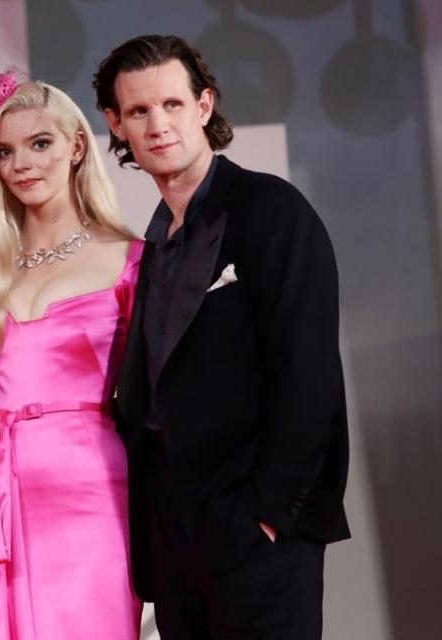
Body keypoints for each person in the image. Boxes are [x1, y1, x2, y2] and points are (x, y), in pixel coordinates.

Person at [93, 35, 350, 639]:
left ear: (204, 106)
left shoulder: (270, 209)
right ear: (116, 124)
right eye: (138, 111)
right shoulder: (148, 248)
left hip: (257, 529)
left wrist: (269, 513)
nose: (158, 125)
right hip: (176, 543)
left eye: (173, 105)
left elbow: (307, 369)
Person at [0, 74, 143, 638]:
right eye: (4, 151)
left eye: (39, 143)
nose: (21, 163)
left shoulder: (131, 259)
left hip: (93, 491)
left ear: (75, 146)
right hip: (1, 496)